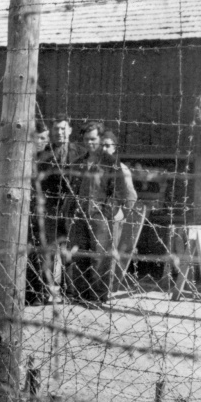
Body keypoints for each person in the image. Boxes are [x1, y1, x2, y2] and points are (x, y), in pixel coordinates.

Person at [66, 129, 137, 304]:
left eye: (93, 139)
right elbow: (72, 188)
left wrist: (115, 213)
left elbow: (125, 193)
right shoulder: (79, 163)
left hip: (102, 216)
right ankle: (81, 295)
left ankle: (98, 296)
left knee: (101, 257)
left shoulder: (113, 164)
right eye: (86, 139)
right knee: (80, 254)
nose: (90, 143)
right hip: (80, 214)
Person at [36, 114, 85, 300]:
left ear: (70, 130)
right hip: (51, 208)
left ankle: (70, 291)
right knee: (48, 251)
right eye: (56, 129)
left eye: (63, 128)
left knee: (70, 250)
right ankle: (45, 290)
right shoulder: (43, 154)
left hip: (72, 208)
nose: (59, 132)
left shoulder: (80, 153)